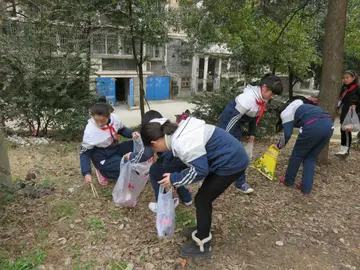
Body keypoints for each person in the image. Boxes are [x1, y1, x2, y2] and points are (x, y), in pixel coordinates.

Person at [141, 117, 249, 258]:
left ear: (154, 143)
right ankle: (201, 229)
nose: (155, 151)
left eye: (153, 149)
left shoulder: (182, 142)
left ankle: (203, 243)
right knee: (202, 198)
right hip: (227, 156)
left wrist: (174, 179)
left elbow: (200, 170)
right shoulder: (177, 131)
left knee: (202, 200)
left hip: (231, 163)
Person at [219, 74, 283, 193]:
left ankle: (236, 180)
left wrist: (251, 132)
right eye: (272, 93)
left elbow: (254, 117)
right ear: (264, 87)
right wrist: (225, 136)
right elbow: (234, 118)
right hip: (230, 121)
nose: (272, 97)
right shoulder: (248, 98)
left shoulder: (261, 99)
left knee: (234, 153)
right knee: (237, 153)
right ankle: (239, 182)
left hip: (238, 123)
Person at [124, 110, 192, 212]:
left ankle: (162, 204)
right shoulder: (166, 128)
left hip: (170, 158)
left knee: (155, 173)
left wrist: (131, 156)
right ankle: (187, 199)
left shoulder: (153, 134)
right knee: (174, 175)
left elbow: (146, 154)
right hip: (181, 158)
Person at [79, 102, 153, 185]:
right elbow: (84, 154)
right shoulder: (90, 131)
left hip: (115, 148)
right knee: (127, 168)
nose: (99, 124)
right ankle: (103, 172)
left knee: (144, 146)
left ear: (109, 115)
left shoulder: (114, 119)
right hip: (103, 157)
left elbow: (122, 130)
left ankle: (131, 166)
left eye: (102, 121)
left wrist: (132, 133)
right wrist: (86, 172)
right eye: (96, 121)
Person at [276, 99, 334, 195]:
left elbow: (287, 134)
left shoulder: (285, 113)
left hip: (313, 125)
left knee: (297, 154)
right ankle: (306, 188)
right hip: (329, 125)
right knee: (310, 158)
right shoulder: (299, 104)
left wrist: (279, 146)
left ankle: (288, 180)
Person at [335, 70, 360, 156]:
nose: (345, 79)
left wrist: (355, 104)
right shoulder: (345, 88)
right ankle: (342, 148)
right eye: (344, 78)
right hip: (344, 111)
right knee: (342, 129)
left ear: (353, 78)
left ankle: (346, 150)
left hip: (351, 112)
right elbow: (341, 99)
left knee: (347, 130)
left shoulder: (357, 87)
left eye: (347, 78)